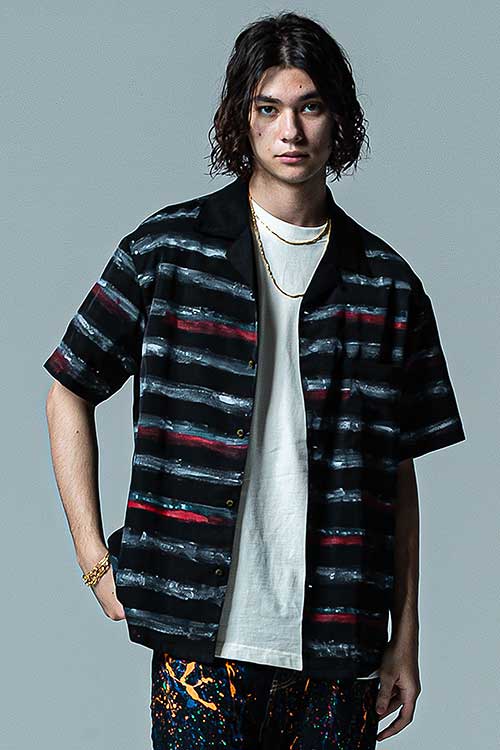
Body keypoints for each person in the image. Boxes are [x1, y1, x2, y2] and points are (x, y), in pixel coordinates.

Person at [43, 10, 466, 749]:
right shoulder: (167, 251)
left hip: (339, 641)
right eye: (268, 109)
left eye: (310, 107)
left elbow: (397, 475)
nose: (290, 131)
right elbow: (68, 389)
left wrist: (406, 637)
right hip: (198, 638)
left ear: (339, 118)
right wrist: (93, 559)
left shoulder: (388, 286)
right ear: (242, 119)